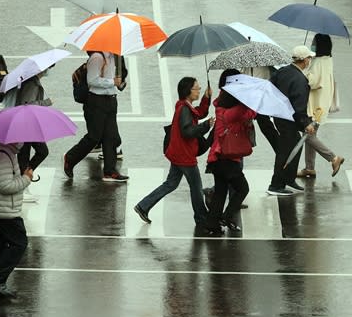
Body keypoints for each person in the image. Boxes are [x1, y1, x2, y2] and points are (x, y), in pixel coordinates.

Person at [133, 77, 219, 235]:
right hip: (184, 156)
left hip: (178, 153)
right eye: (196, 88)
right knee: (196, 187)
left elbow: (199, 113)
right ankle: (201, 218)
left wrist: (206, 97)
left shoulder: (184, 106)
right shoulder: (184, 109)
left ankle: (143, 206)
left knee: (171, 184)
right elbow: (187, 131)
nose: (199, 90)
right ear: (188, 91)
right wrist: (206, 125)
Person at [63, 50, 128, 182]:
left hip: (110, 99)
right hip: (96, 102)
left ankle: (110, 171)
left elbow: (117, 76)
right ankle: (70, 158)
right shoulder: (97, 58)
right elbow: (92, 80)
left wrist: (119, 81)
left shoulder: (114, 57)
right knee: (94, 137)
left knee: (111, 136)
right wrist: (112, 82)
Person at [205, 80, 256, 232]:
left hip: (216, 158)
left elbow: (247, 114)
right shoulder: (232, 113)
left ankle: (211, 224)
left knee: (220, 192)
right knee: (243, 189)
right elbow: (250, 112)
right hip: (228, 159)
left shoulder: (220, 109)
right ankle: (226, 217)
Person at [0, 142, 33, 298]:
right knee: (19, 243)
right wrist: (26, 178)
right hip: (5, 210)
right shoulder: (4, 157)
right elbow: (6, 186)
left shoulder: (6, 154)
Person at [267, 45, 316, 196]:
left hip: (279, 116)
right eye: (309, 58)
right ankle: (276, 185)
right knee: (286, 152)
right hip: (290, 120)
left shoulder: (282, 71)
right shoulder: (300, 80)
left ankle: (289, 178)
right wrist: (307, 123)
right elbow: (299, 107)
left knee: (294, 146)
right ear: (304, 60)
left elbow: (270, 87)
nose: (310, 60)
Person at [297, 34, 344, 178]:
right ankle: (309, 168)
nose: (312, 44)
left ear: (319, 45)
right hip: (321, 104)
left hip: (314, 106)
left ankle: (333, 158)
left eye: (314, 42)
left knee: (308, 136)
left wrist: (303, 72)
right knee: (311, 135)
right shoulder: (328, 60)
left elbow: (314, 82)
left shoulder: (318, 62)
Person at [4, 69, 52, 204]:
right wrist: (46, 102)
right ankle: (21, 187)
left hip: (30, 122)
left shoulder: (33, 82)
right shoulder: (32, 84)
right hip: (26, 122)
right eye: (47, 69)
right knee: (26, 154)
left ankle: (24, 179)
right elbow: (28, 104)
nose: (48, 71)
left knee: (40, 152)